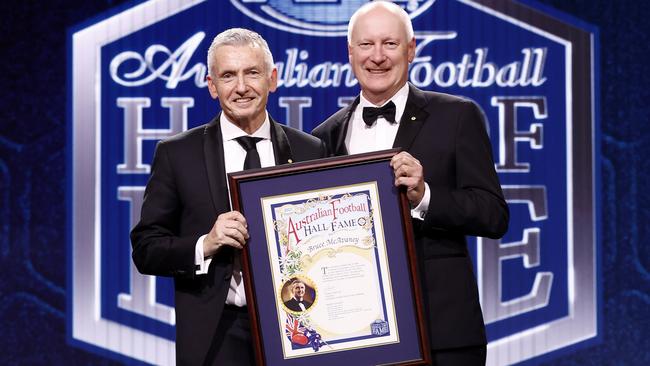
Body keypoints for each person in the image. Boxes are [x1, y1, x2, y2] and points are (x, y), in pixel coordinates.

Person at [312, 2, 509, 365]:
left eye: (390, 44)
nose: (378, 57)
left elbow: (494, 215)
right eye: (367, 45)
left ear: (411, 49)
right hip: (355, 335)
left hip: (442, 332)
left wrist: (425, 197)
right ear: (350, 52)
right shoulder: (323, 136)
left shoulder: (457, 116)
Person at [130, 28, 326, 366]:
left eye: (252, 73)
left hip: (298, 327)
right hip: (219, 331)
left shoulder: (310, 150)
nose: (241, 87)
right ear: (211, 85)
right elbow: (146, 250)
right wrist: (205, 243)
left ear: (272, 78)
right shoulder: (178, 154)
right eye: (228, 76)